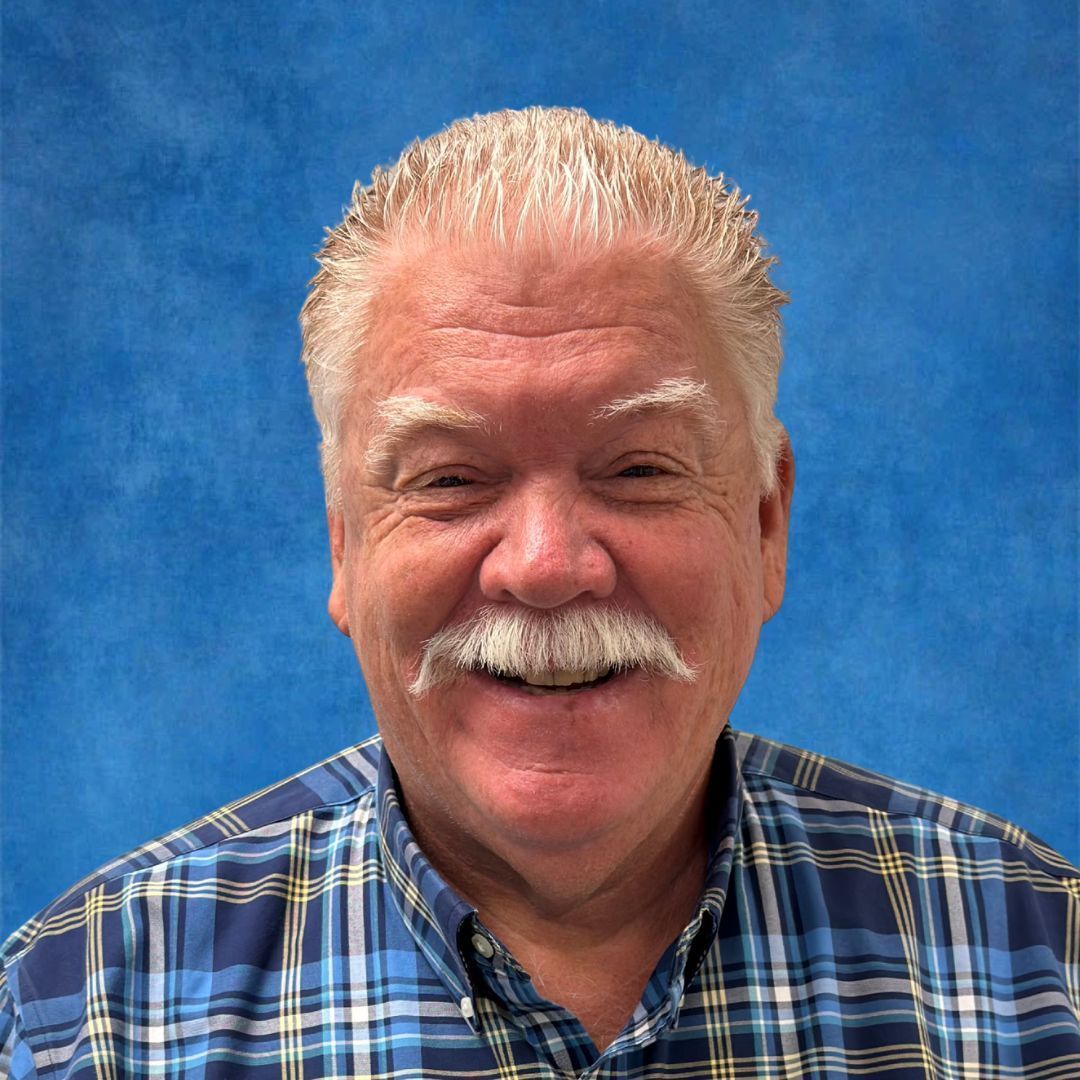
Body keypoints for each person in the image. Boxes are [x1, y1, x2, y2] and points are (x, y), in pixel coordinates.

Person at [1, 107, 1076, 1080]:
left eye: (640, 468)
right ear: (343, 542)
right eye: (451, 479)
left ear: (764, 522)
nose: (549, 564)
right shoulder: (93, 1013)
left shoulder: (1040, 975)